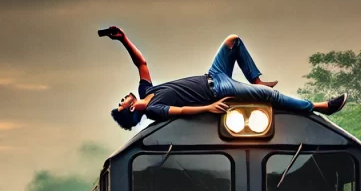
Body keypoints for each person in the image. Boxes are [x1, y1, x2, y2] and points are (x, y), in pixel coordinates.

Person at [104, 26, 348, 130]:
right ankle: (321, 107)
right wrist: (208, 107)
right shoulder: (154, 110)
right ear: (130, 110)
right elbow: (181, 111)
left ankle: (256, 79)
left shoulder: (147, 91)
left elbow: (141, 63)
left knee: (233, 41)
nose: (123, 98)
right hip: (218, 90)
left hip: (212, 75)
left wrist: (124, 39)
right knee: (269, 97)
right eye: (121, 103)